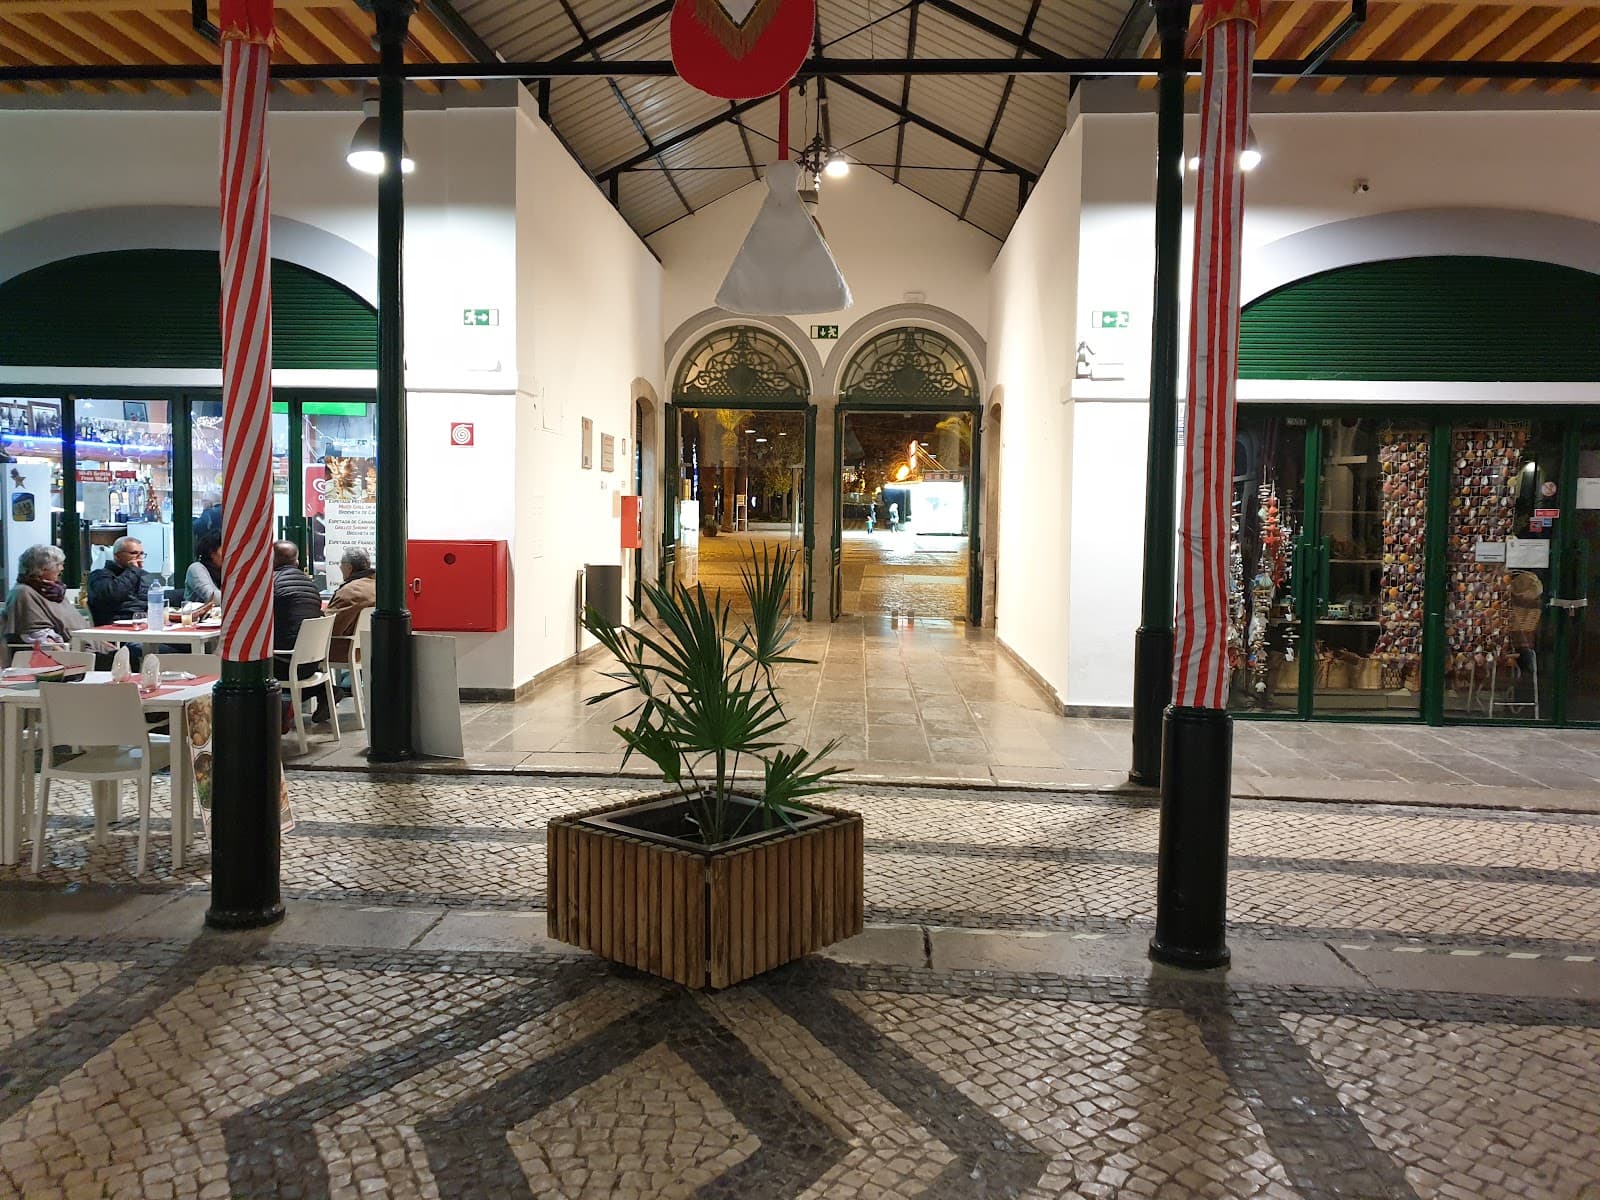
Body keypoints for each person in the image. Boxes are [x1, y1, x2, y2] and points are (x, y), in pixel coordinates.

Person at [272, 539, 330, 725]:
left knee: (248, 664)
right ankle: (322, 691)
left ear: (270, 561)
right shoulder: (312, 586)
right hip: (311, 663)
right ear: (296, 562)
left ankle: (279, 706)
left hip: (284, 663)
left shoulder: (272, 584)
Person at [3, 543, 89, 650]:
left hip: (87, 645)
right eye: (58, 564)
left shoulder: (53, 591)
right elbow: (38, 634)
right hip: (73, 653)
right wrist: (68, 658)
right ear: (42, 568)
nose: (61, 568)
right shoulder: (23, 593)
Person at [86, 536, 155, 626]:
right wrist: (133, 570)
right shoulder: (99, 575)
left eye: (141, 553)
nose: (139, 557)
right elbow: (113, 594)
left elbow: (154, 597)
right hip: (117, 628)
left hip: (145, 625)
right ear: (117, 556)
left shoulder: (142, 575)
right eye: (134, 553)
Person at [326, 547, 375, 666]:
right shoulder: (376, 585)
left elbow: (330, 626)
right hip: (369, 647)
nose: (340, 567)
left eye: (341, 564)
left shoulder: (350, 591)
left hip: (347, 651)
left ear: (349, 567)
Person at [186, 531, 224, 605]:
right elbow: (212, 597)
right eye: (224, 550)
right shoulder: (196, 568)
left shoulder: (223, 570)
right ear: (212, 553)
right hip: (197, 616)